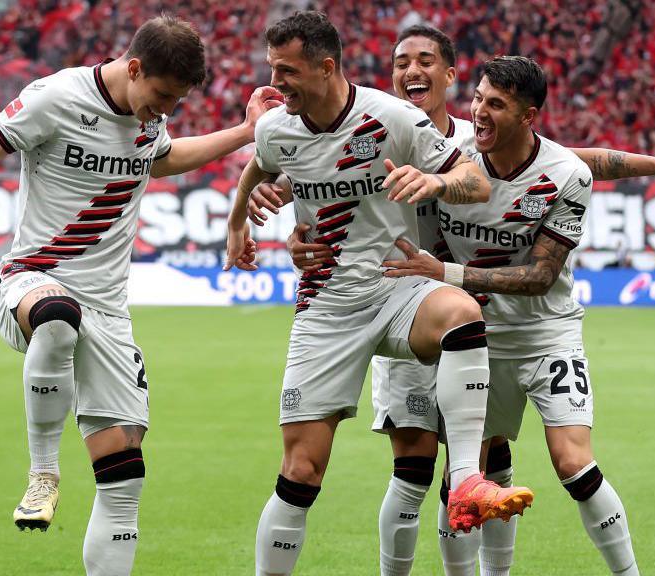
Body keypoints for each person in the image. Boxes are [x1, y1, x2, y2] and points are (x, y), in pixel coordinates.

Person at [252, 25, 655, 576]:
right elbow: (309, 178)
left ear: (451, 75)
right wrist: (290, 231)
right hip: (420, 310)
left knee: (518, 467)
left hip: (504, 324)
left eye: (427, 61)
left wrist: (652, 165)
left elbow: (564, 163)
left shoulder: (480, 148)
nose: (411, 72)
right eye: (401, 62)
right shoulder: (402, 135)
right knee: (421, 469)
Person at [0, 15, 279, 575]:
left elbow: (169, 157)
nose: (166, 111)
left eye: (176, 102)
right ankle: (43, 474)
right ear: (133, 69)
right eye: (161, 96)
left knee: (124, 478)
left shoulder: (143, 116)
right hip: (33, 280)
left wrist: (246, 131)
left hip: (108, 310)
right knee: (60, 318)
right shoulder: (56, 98)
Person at [224, 12, 534, 576]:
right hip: (325, 308)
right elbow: (258, 167)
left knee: (461, 313)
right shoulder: (276, 128)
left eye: (287, 70)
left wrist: (435, 181)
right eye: (273, 68)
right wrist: (237, 223)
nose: (277, 82)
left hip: (396, 289)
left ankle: (465, 478)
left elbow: (477, 181)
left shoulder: (393, 118)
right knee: (301, 471)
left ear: (326, 67)